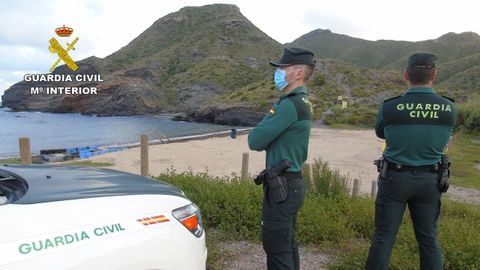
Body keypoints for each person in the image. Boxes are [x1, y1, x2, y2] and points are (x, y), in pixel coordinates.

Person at [365, 53, 457, 270]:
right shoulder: (449, 108)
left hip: (394, 180)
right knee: (429, 240)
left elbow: (381, 133)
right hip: (430, 181)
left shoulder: (389, 106)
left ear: (406, 75)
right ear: (433, 75)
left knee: (384, 238)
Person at [248, 47, 315, 270]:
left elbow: (255, 140)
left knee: (276, 247)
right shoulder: (303, 102)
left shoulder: (288, 105)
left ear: (297, 74)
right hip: (292, 183)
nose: (278, 71)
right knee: (287, 244)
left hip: (282, 187)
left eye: (282, 67)